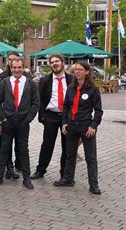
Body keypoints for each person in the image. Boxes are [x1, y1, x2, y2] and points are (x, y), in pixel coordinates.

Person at [55, 61, 103, 195]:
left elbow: (98, 110)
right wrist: (64, 122)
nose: (77, 72)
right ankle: (68, 179)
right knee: (70, 155)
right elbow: (66, 107)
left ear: (87, 72)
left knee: (91, 157)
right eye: (75, 70)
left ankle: (94, 185)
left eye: (80, 70)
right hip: (71, 126)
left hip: (86, 127)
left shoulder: (93, 89)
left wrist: (93, 125)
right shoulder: (70, 88)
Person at [0, 57, 39, 189]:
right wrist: (2, 118)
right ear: (10, 68)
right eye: (14, 67)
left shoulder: (30, 83)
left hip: (23, 123)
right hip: (8, 122)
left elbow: (36, 103)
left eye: (19, 67)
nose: (17, 70)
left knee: (23, 150)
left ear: (23, 67)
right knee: (4, 149)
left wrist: (28, 119)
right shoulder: (5, 82)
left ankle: (26, 178)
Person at [31, 54, 72, 180]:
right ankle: (40, 170)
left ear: (62, 63)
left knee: (67, 146)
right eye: (52, 62)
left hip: (67, 117)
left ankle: (65, 173)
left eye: (57, 61)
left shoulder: (71, 79)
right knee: (47, 144)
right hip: (51, 115)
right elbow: (40, 99)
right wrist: (42, 116)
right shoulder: (44, 80)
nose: (55, 64)